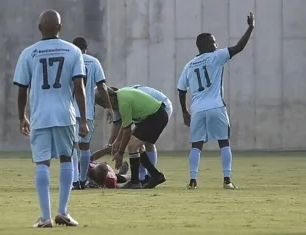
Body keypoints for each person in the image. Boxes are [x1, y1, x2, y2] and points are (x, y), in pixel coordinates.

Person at [13, 9, 88, 228]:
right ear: (60, 27)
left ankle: (45, 217)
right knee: (66, 158)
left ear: (39, 28)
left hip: (40, 115)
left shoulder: (29, 53)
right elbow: (79, 87)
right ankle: (63, 212)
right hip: (65, 114)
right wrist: (83, 118)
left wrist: (21, 116)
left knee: (42, 162)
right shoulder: (73, 51)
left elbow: (21, 89)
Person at [177, 12, 255, 190]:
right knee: (224, 142)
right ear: (205, 45)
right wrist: (250, 28)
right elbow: (239, 47)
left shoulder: (189, 65)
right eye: (213, 41)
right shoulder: (217, 56)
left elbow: (181, 89)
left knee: (196, 145)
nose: (216, 44)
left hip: (197, 110)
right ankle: (227, 180)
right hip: (216, 106)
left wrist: (184, 111)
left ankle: (193, 181)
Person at [96, 87, 167, 189]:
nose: (106, 107)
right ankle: (156, 175)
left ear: (110, 98)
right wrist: (117, 141)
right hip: (153, 116)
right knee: (137, 147)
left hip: (156, 116)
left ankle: (135, 181)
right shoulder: (121, 96)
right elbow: (126, 125)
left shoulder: (123, 103)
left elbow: (127, 130)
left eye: (104, 104)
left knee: (132, 146)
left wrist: (120, 153)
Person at [71, 36, 113, 190]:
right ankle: (82, 180)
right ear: (86, 48)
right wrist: (108, 106)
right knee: (85, 146)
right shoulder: (94, 62)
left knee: (72, 146)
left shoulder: (69, 59)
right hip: (86, 111)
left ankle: (74, 180)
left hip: (69, 111)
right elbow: (102, 87)